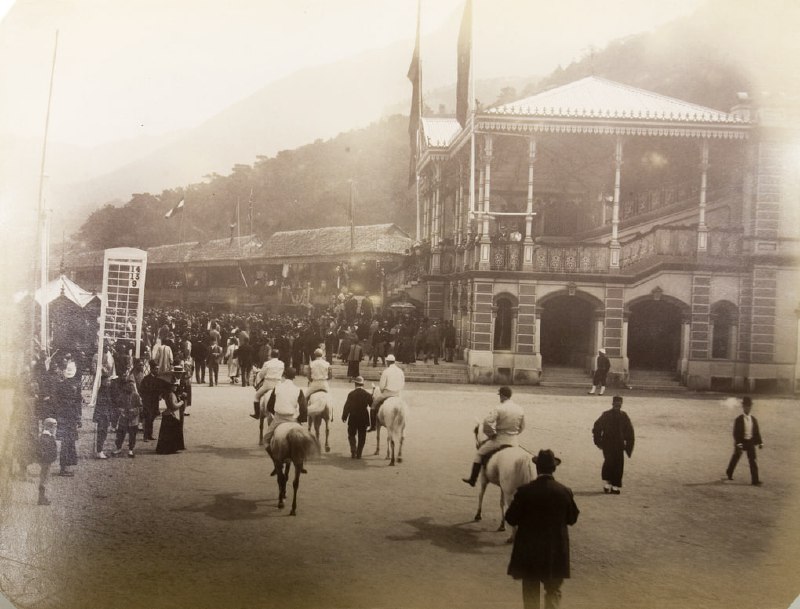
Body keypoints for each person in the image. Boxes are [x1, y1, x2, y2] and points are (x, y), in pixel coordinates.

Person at [505, 449, 579, 609]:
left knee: (530, 591)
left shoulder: (525, 492)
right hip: (555, 549)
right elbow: (572, 518)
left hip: (530, 549)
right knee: (553, 591)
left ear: (537, 468)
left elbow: (510, 518)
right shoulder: (564, 491)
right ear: (554, 469)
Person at [462, 386, 525, 486]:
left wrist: (492, 434)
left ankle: (473, 480)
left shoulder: (499, 408)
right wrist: (513, 434)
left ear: (503, 396)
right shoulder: (520, 409)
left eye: (500, 395)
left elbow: (487, 422)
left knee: (479, 453)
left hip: (499, 440)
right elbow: (522, 427)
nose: (499, 397)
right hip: (514, 442)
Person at [263, 368, 308, 474]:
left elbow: (270, 405)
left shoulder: (277, 387)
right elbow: (303, 408)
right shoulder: (298, 389)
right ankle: (300, 464)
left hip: (279, 418)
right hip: (292, 418)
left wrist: (275, 414)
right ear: (294, 377)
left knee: (265, 440)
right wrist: (300, 419)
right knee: (304, 440)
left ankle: (276, 462)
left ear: (284, 375)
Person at [592, 395, 635, 494]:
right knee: (609, 462)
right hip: (607, 444)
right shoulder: (606, 415)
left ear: (621, 405)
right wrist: (598, 441)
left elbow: (629, 431)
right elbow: (597, 428)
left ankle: (615, 485)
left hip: (619, 445)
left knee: (619, 464)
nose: (617, 406)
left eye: (619, 405)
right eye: (615, 404)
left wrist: (628, 445)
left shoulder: (624, 416)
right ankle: (607, 484)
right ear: (612, 404)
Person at [725, 396, 763, 486]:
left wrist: (760, 442)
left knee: (753, 460)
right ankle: (729, 472)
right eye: (746, 406)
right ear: (743, 407)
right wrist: (738, 443)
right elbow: (735, 433)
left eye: (749, 406)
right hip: (741, 442)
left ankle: (755, 480)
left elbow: (757, 432)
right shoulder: (738, 420)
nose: (748, 408)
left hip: (750, 442)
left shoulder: (754, 419)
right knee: (736, 457)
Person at [54, 356, 82, 477]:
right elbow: (77, 403)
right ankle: (64, 468)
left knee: (66, 442)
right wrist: (78, 418)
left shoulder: (61, 385)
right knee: (68, 442)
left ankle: (64, 467)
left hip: (63, 416)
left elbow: (56, 401)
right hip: (71, 417)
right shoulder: (76, 386)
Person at [368, 353, 405, 431]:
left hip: (387, 393)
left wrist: (383, 390)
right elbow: (402, 384)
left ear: (388, 362)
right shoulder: (400, 371)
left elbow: (381, 387)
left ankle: (373, 426)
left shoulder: (386, 371)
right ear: (394, 361)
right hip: (397, 394)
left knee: (373, 406)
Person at [341, 376, 372, 459]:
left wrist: (344, 416)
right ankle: (359, 453)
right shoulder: (367, 394)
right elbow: (372, 405)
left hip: (353, 417)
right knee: (362, 436)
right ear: (363, 384)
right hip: (363, 417)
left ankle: (353, 450)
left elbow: (347, 406)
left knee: (351, 434)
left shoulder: (351, 394)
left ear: (355, 384)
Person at [112, 378, 141, 458]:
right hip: (123, 418)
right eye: (128, 385)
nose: (130, 387)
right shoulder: (122, 395)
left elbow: (140, 407)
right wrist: (121, 410)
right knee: (120, 434)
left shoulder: (136, 396)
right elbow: (117, 406)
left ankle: (131, 450)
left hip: (133, 419)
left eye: (132, 385)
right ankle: (118, 448)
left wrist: (134, 410)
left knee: (132, 435)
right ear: (125, 386)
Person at [251, 350, 284, 419]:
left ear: (271, 355)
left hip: (268, 384)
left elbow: (261, 375)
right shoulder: (282, 363)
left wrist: (259, 372)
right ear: (278, 355)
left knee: (256, 397)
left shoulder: (267, 363)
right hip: (278, 384)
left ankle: (257, 414)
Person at [156, 380, 185, 455]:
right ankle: (171, 448)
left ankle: (167, 448)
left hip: (168, 414)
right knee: (171, 432)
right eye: (174, 385)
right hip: (171, 414)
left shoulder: (168, 394)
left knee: (166, 433)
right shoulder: (171, 394)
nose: (176, 387)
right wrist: (181, 403)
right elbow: (173, 406)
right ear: (170, 386)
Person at [36, 418, 59, 505]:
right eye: (54, 427)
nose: (55, 429)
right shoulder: (47, 438)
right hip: (46, 462)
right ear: (50, 428)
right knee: (44, 479)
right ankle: (41, 498)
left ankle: (42, 497)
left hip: (46, 461)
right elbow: (44, 452)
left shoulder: (44, 437)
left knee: (44, 478)